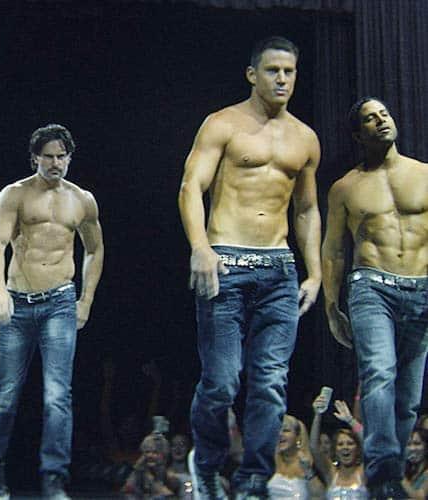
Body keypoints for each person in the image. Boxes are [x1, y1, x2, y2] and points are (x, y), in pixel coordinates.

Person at [178, 36, 321, 499]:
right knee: (222, 382)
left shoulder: (305, 138)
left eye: (289, 72)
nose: (282, 79)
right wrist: (200, 247)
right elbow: (191, 187)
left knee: (270, 384)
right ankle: (208, 463)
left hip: (279, 270)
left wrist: (315, 272)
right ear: (252, 74)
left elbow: (306, 210)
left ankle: (254, 480)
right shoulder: (222, 124)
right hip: (226, 265)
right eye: (273, 70)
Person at [0, 124, 104, 500]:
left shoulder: (82, 200)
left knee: (57, 395)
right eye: (48, 156)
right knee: (7, 392)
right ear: (35, 158)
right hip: (18, 302)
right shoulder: (15, 194)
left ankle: (54, 476)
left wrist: (86, 300)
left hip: (60, 302)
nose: (55, 163)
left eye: (61, 156)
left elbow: (95, 249)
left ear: (70, 157)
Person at [321, 97, 428, 498]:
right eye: (370, 118)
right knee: (380, 373)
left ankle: (391, 477)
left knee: (408, 398)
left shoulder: (424, 174)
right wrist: (332, 306)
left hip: (421, 287)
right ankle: (382, 472)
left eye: (383, 114)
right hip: (371, 287)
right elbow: (333, 250)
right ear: (358, 134)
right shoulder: (345, 187)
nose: (381, 120)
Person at [310, 390, 367, 499]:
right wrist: (317, 414)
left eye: (350, 443)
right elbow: (313, 447)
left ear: (357, 449)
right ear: (335, 450)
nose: (345, 447)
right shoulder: (330, 473)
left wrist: (351, 420)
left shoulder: (364, 473)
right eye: (340, 444)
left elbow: (370, 444)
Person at [267, 415, 321, 500]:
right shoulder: (271, 462)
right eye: (277, 430)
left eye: (286, 430)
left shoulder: (310, 463)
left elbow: (320, 495)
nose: (280, 434)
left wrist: (308, 471)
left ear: (298, 437)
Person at [402, 428, 428, 499]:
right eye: (408, 444)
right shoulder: (408, 471)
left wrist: (401, 477)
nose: (412, 448)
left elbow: (420, 497)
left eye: (417, 444)